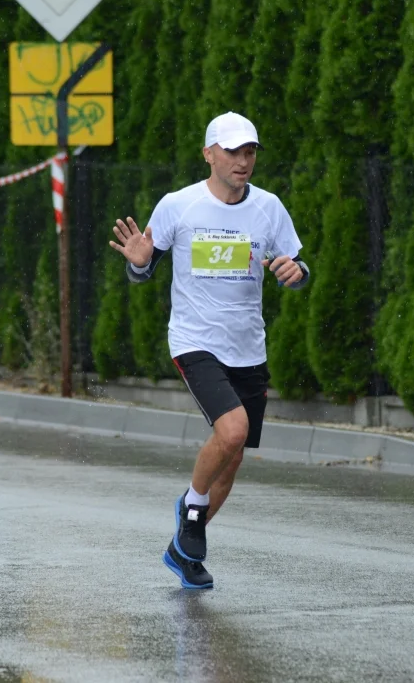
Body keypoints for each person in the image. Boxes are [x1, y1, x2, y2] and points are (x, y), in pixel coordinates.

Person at [109, 112, 309, 589]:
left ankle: (183, 549)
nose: (244, 161)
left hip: (248, 346)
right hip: (196, 340)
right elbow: (144, 264)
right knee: (233, 429)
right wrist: (139, 264)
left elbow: (298, 265)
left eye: (250, 152)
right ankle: (192, 513)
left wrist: (295, 273)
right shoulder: (180, 206)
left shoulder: (268, 208)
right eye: (234, 151)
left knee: (233, 454)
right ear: (209, 154)